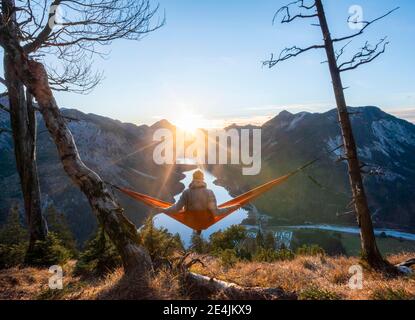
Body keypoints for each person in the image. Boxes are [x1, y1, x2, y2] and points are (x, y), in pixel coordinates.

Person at [163, 170, 237, 216]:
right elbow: (216, 213)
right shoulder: (209, 192)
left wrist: (162, 209)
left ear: (193, 179)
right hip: (206, 219)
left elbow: (176, 208)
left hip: (189, 219)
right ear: (203, 179)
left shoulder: (186, 192)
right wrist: (232, 207)